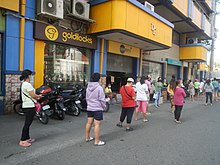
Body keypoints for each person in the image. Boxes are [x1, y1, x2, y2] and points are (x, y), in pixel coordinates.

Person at [19, 70, 42, 147]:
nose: (31, 76)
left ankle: (27, 138)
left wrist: (36, 96)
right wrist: (39, 96)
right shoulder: (27, 84)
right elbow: (32, 95)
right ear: (28, 76)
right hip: (29, 106)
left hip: (27, 105)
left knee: (28, 123)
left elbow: (31, 94)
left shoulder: (24, 84)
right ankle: (22, 140)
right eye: (31, 75)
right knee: (27, 123)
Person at [85, 73, 106, 146]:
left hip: (90, 108)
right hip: (97, 108)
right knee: (97, 124)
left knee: (89, 123)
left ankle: (87, 137)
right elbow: (102, 99)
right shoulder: (99, 88)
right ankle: (97, 141)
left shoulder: (88, 87)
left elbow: (87, 98)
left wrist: (89, 105)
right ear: (98, 79)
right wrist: (103, 106)